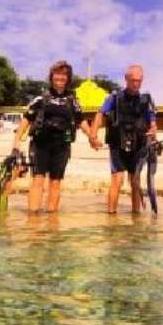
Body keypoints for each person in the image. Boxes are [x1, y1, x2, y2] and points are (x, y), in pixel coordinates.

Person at [12, 60, 98, 212]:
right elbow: (27, 119)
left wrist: (92, 137)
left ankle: (52, 218)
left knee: (56, 181)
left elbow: (81, 120)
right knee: (38, 179)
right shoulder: (41, 98)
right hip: (40, 144)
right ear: (52, 76)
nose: (60, 77)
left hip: (62, 146)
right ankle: (33, 220)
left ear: (68, 78)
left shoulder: (72, 100)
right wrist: (16, 141)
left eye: (64, 75)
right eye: (57, 74)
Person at [89, 64, 157, 214]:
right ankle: (111, 218)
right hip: (117, 144)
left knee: (135, 182)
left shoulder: (146, 100)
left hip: (138, 146)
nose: (136, 83)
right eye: (133, 80)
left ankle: (136, 218)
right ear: (126, 79)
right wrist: (93, 135)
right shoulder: (114, 97)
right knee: (117, 180)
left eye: (139, 80)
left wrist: (153, 134)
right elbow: (100, 114)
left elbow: (153, 124)